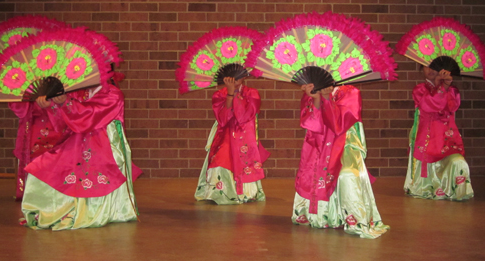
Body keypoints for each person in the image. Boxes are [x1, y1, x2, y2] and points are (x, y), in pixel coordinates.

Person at [20, 83, 141, 230]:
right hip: (76, 141)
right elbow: (63, 122)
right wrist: (51, 105)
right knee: (44, 168)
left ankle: (92, 212)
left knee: (91, 173)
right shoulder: (77, 92)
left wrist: (66, 102)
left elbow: (89, 116)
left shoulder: (113, 94)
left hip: (103, 146)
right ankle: (57, 211)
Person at [292, 83, 389, 239]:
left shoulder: (351, 92)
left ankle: (354, 218)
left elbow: (339, 125)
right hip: (319, 144)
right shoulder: (312, 90)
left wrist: (325, 98)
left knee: (347, 175)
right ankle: (323, 216)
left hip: (346, 144)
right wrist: (316, 98)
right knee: (314, 173)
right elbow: (311, 123)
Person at [195, 76, 270, 204]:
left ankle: (244, 193)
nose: (234, 79)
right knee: (221, 158)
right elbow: (223, 119)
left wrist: (235, 94)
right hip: (226, 133)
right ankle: (221, 193)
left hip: (245, 135)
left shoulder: (252, 93)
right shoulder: (219, 94)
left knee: (244, 161)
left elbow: (243, 116)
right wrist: (230, 93)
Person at [403, 67, 474, 200]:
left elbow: (451, 107)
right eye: (426, 66)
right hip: (425, 138)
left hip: (446, 139)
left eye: (435, 67)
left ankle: (456, 190)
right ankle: (428, 188)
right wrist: (440, 86)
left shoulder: (452, 91)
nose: (430, 70)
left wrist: (445, 85)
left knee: (458, 162)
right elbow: (431, 105)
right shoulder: (420, 89)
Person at [9, 100, 66, 200]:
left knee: (59, 155)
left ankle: (59, 189)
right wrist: (34, 102)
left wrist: (55, 102)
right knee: (34, 156)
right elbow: (18, 106)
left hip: (59, 121)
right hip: (34, 124)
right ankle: (33, 190)